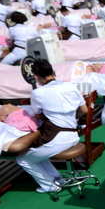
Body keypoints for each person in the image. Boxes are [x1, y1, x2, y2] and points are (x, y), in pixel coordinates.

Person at [16, 59, 88, 194]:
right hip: (74, 136)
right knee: (36, 155)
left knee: (23, 159)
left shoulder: (38, 93)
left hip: (56, 140)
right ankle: (56, 178)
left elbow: (38, 115)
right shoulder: (71, 86)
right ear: (53, 72)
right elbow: (84, 111)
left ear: (37, 77)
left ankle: (49, 186)